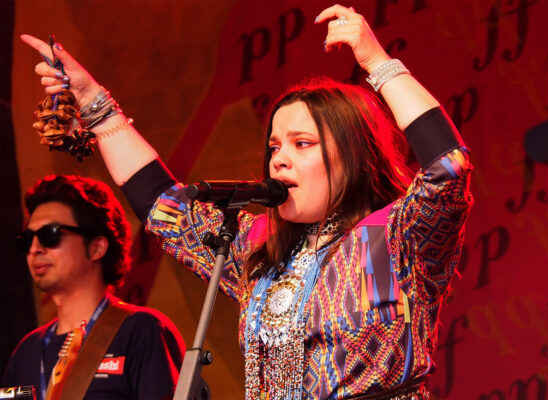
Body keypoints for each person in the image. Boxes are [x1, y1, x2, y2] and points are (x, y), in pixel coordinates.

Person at [21, 4, 473, 399]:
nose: (279, 161)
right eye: (274, 147)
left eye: (302, 144)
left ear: (351, 156)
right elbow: (163, 205)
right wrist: (96, 107)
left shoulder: (396, 237)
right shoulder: (258, 247)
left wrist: (377, 62)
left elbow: (448, 166)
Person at [2, 175, 185, 399]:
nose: (35, 248)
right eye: (27, 239)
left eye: (50, 235)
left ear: (97, 247)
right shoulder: (25, 351)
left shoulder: (143, 329)